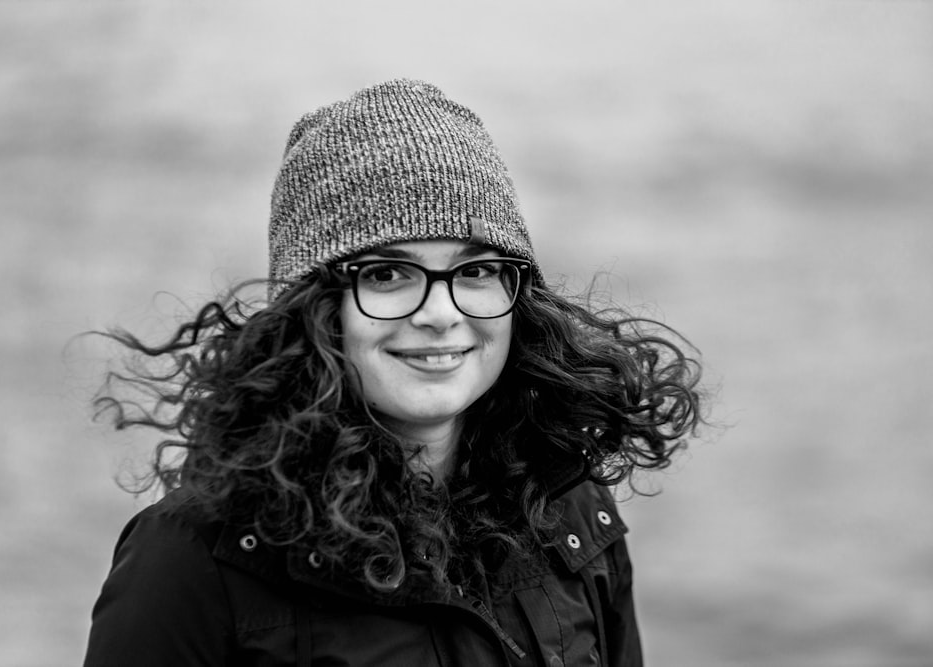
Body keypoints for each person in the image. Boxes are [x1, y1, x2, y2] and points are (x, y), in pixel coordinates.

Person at [83, 79, 704, 667]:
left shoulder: (571, 509)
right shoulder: (193, 560)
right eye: (386, 274)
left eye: (477, 270)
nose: (441, 314)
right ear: (316, 308)